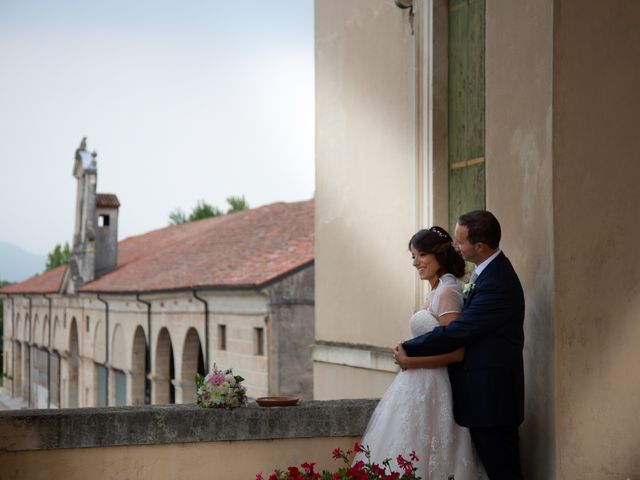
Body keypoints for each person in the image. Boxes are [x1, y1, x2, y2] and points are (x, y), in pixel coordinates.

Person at [397, 211, 525, 480]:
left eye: (460, 241)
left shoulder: (497, 282)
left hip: (492, 398)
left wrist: (411, 347)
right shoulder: (482, 275)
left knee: (503, 471)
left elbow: (460, 331)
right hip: (479, 397)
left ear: (480, 246)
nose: (455, 246)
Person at [354, 226, 487, 480]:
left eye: (421, 255)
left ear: (440, 255)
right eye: (413, 256)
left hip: (435, 389)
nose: (415, 263)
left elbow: (457, 352)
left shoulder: (448, 292)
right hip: (416, 388)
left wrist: (409, 361)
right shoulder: (436, 291)